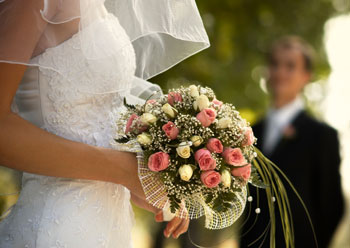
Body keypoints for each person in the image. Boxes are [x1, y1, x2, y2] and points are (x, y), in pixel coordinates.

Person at [0, 0, 210, 247]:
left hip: (110, 224)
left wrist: (149, 177)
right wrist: (125, 171)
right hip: (56, 228)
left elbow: (97, 117)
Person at [240, 36, 344, 248]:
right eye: (275, 64)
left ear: (306, 76)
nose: (280, 72)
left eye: (290, 66)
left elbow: (333, 206)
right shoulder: (249, 133)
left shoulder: (322, 136)